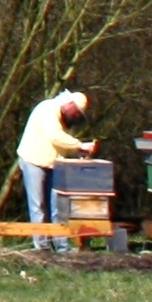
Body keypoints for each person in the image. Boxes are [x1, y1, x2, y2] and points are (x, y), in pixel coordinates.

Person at [17, 90, 97, 252]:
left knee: (57, 207)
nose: (75, 117)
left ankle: (61, 247)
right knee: (38, 206)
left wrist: (77, 152)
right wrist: (80, 145)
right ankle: (42, 247)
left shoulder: (61, 118)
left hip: (51, 163)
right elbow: (55, 136)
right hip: (33, 161)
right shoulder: (47, 109)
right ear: (69, 105)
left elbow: (59, 145)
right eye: (76, 112)